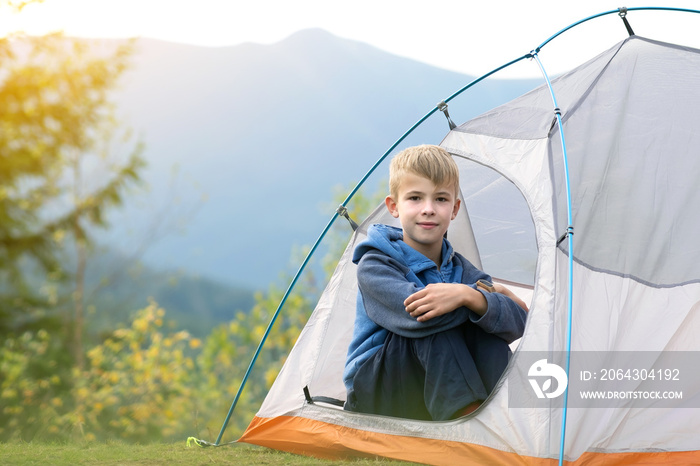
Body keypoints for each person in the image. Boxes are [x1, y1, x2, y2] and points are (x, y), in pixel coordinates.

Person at [343, 144, 528, 421]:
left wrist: (470, 296)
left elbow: (519, 323)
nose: (428, 209)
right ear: (394, 206)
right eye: (415, 198)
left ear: (454, 209)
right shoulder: (375, 265)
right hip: (375, 391)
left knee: (486, 332)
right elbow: (421, 317)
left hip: (430, 386)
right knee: (434, 326)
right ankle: (468, 427)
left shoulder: (462, 271)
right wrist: (483, 300)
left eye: (440, 199)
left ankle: (507, 419)